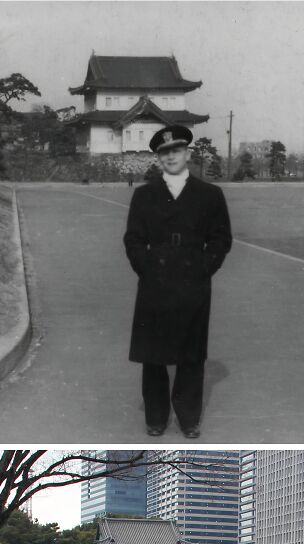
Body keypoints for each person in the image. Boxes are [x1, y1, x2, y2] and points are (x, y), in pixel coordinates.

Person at [123, 125, 233, 439]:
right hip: (154, 280)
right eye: (164, 153)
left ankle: (188, 418)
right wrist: (144, 266)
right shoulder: (144, 195)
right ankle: (156, 417)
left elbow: (221, 239)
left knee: (191, 354)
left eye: (176, 151)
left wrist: (203, 268)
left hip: (192, 281)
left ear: (187, 153)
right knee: (153, 354)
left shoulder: (210, 195)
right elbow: (133, 239)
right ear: (159, 158)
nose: (171, 157)